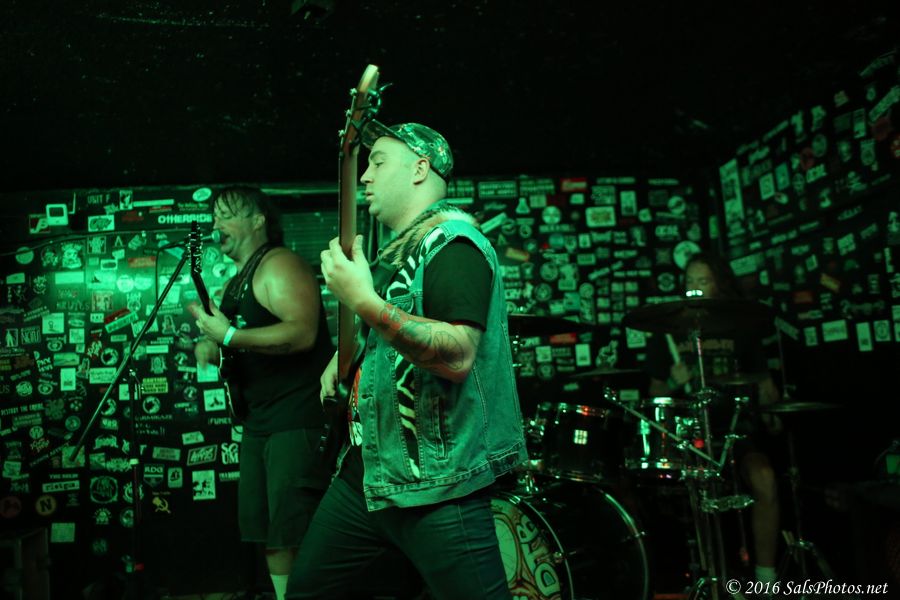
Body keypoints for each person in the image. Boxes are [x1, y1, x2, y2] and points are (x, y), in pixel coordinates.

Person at [286, 123, 527, 599]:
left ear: (420, 168)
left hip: (438, 486)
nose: (365, 176)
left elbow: (457, 355)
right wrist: (346, 357)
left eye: (378, 162)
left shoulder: (453, 243)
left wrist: (363, 301)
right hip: (367, 476)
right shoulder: (398, 253)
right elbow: (391, 336)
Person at [190, 186, 334, 600]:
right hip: (259, 424)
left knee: (297, 531)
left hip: (296, 419)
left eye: (227, 215)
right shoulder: (237, 282)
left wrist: (229, 336)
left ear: (258, 220)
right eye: (215, 216)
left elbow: (302, 333)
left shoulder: (279, 264)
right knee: (272, 534)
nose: (217, 224)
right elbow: (241, 339)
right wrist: (213, 345)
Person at [644, 251, 782, 590]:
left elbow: (765, 385)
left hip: (735, 430)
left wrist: (775, 414)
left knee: (765, 479)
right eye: (689, 281)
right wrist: (673, 381)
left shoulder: (740, 328)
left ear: (718, 284)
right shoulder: (668, 332)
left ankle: (765, 580)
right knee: (693, 499)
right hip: (690, 437)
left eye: (703, 281)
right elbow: (654, 393)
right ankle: (709, 577)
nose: (694, 288)